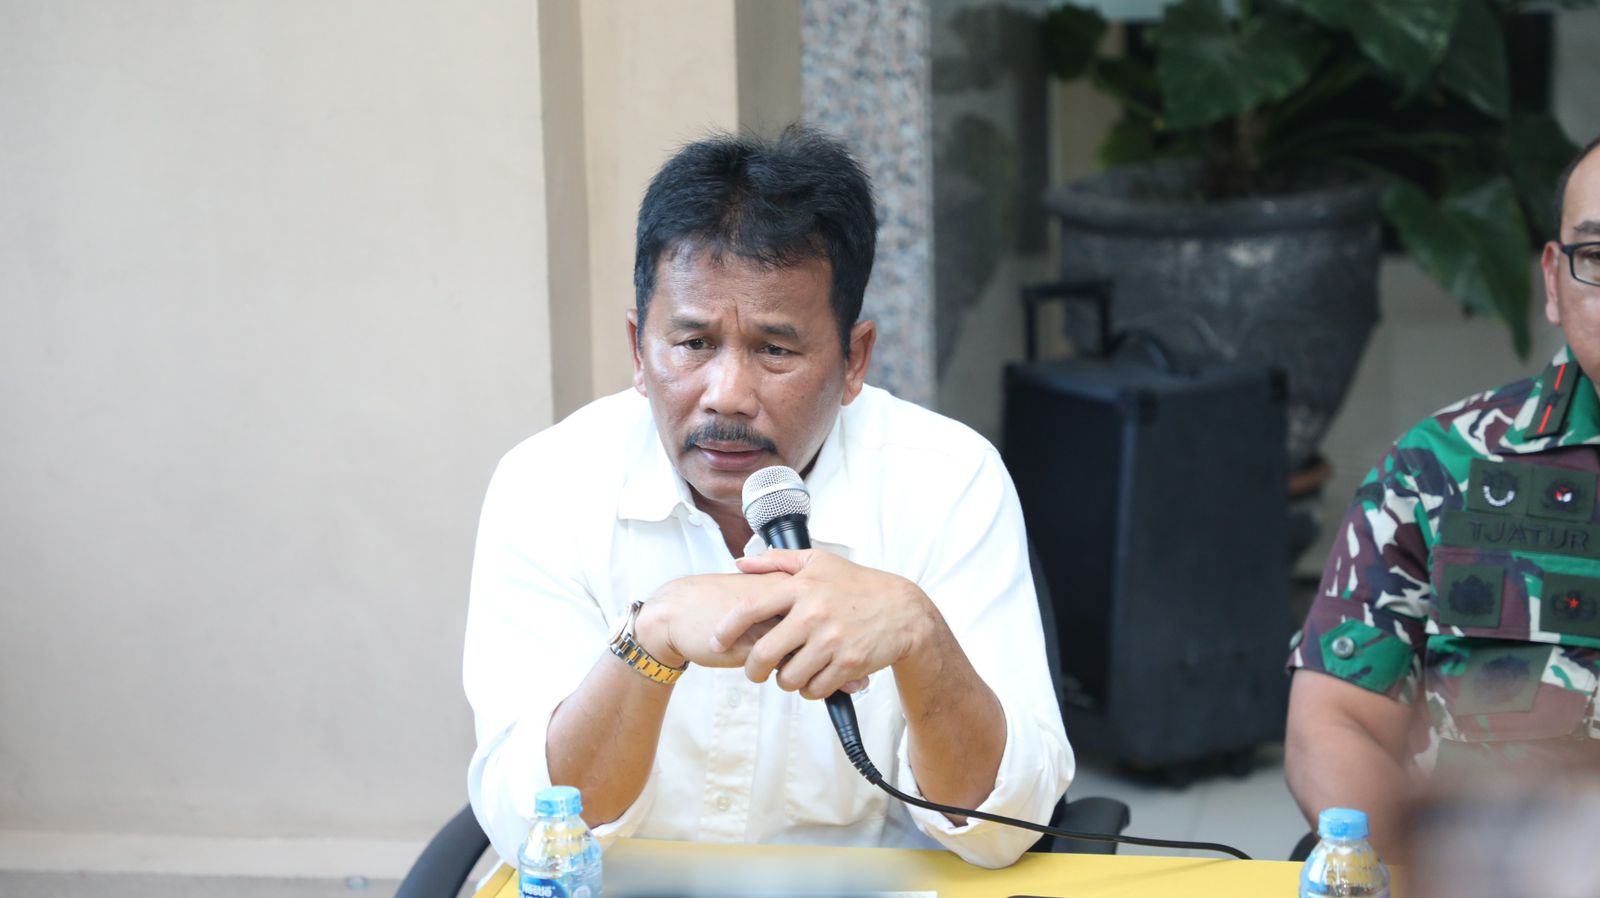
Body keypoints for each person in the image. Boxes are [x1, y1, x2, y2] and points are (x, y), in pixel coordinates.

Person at [463, 126, 1072, 870]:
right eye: (693, 344)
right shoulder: (547, 485)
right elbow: (534, 829)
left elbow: (1007, 828)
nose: (727, 395)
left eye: (775, 350)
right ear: (638, 351)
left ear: (854, 359)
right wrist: (647, 643)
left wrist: (923, 639)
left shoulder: (947, 479)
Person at [1285, 135, 1600, 861]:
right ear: (1554, 281)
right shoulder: (1440, 468)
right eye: (1599, 256)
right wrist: (1436, 875)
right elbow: (1336, 722)